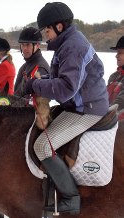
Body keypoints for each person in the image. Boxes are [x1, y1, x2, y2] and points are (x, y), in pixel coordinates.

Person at [24, 2, 109, 214]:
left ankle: (71, 197)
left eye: (46, 30)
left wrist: (35, 85)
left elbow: (65, 89)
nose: (45, 36)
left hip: (87, 109)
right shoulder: (66, 44)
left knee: (42, 146)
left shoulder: (73, 47)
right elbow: (61, 78)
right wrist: (43, 80)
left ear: (59, 26)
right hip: (78, 104)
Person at [14, 27, 50, 97]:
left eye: (28, 45)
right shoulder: (25, 66)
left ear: (37, 45)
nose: (24, 48)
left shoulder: (40, 68)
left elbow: (36, 102)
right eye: (22, 45)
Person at [107, 36, 124, 120]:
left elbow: (120, 102)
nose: (116, 56)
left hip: (116, 123)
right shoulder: (113, 77)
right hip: (109, 120)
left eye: (120, 53)